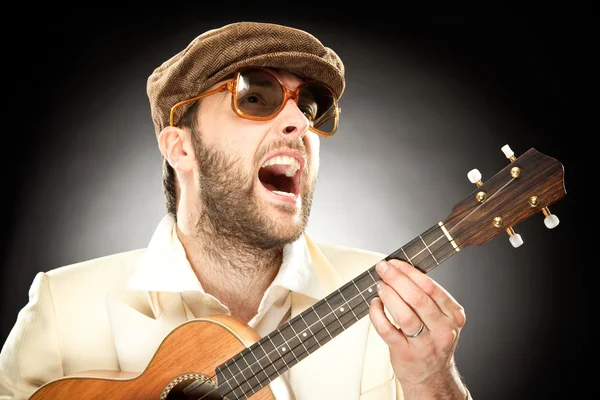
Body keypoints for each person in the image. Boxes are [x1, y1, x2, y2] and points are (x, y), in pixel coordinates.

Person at [0, 21, 472, 399]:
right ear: (180, 149)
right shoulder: (63, 307)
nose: (297, 122)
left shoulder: (390, 306)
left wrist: (432, 381)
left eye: (310, 105)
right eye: (254, 96)